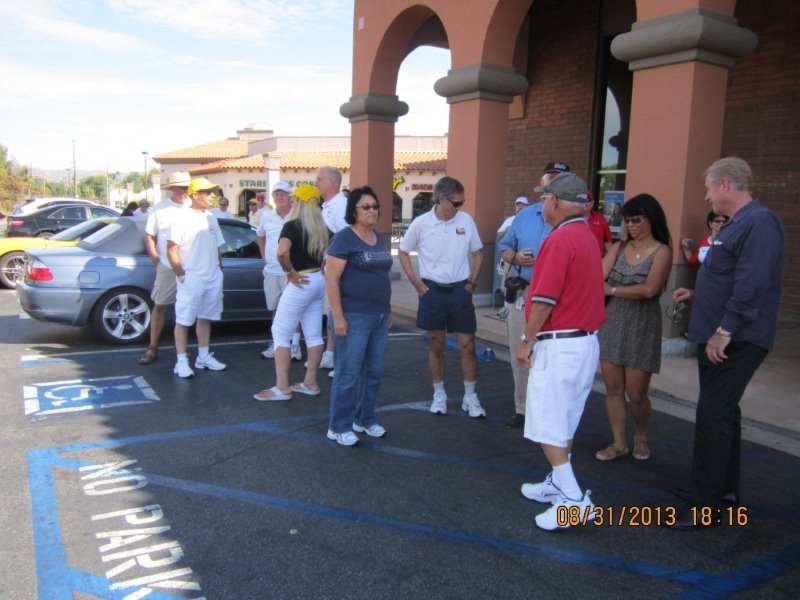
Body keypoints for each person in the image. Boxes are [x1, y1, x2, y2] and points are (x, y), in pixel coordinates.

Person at [670, 157, 785, 528]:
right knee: (723, 414)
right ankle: (723, 491)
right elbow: (726, 277)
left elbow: (751, 284)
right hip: (721, 334)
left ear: (725, 186)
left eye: (708, 188)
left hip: (737, 340)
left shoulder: (759, 223)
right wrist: (697, 294)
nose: (706, 197)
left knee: (713, 415)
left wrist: (725, 330)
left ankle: (706, 505)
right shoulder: (739, 225)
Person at [514, 172, 605, 531]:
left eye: (544, 198)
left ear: (554, 201)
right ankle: (558, 483)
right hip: (583, 342)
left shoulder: (560, 239)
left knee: (548, 423)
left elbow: (544, 298)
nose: (541, 204)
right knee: (564, 419)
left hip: (561, 344)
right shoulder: (586, 235)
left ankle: (572, 497)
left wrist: (527, 339)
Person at [398, 176, 485, 418]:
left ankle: (470, 397)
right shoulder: (421, 223)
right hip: (432, 291)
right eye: (456, 203)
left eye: (462, 202)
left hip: (460, 290)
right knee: (436, 344)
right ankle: (439, 394)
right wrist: (416, 282)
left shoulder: (466, 220)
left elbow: (478, 253)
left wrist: (472, 283)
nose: (460, 208)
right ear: (441, 199)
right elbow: (403, 252)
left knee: (467, 345)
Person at [595, 194, 673, 462]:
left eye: (637, 219)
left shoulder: (662, 251)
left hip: (643, 325)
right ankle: (618, 443)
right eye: (627, 220)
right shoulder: (618, 247)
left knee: (637, 394)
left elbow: (650, 290)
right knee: (613, 388)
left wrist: (614, 289)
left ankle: (641, 433)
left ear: (651, 219)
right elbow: (598, 277)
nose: (631, 225)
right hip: (612, 322)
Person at [325, 186, 394, 446]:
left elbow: (382, 276)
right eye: (366, 207)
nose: (372, 211)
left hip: (377, 317)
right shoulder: (344, 239)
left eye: (375, 206)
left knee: (373, 372)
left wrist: (386, 310)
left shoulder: (379, 237)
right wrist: (338, 317)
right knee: (348, 373)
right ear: (353, 211)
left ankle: (364, 419)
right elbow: (331, 278)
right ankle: (338, 425)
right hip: (352, 316)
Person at [254, 184, 329, 401]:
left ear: (300, 203)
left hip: (301, 281)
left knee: (280, 332)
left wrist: (290, 272)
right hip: (317, 280)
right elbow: (332, 252)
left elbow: (282, 252)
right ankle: (311, 382)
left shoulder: (292, 226)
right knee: (314, 334)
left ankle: (282, 387)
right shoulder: (322, 227)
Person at [497, 186, 552, 427]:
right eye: (544, 189)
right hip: (525, 289)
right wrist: (516, 257)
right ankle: (522, 408)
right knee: (518, 348)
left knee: (550, 352)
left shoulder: (573, 221)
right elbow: (504, 246)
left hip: (556, 294)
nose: (546, 194)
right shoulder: (525, 215)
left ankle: (547, 409)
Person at [167, 177, 227, 378]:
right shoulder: (180, 217)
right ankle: (181, 361)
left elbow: (216, 247)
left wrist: (219, 270)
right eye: (208, 192)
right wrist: (182, 275)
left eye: (214, 192)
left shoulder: (211, 217)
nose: (213, 196)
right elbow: (171, 250)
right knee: (184, 320)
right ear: (195, 195)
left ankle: (203, 356)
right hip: (191, 277)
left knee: (206, 317)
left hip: (212, 277)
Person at [138, 171, 191, 365]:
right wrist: (157, 261)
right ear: (172, 188)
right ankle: (152, 346)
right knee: (160, 305)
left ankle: (182, 349)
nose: (186, 191)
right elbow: (149, 236)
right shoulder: (160, 209)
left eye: (188, 187)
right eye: (183, 187)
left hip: (190, 267)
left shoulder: (193, 208)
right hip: (168, 266)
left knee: (187, 308)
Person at [257, 181, 302, 361]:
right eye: (276, 194)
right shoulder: (266, 216)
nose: (279, 197)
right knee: (275, 308)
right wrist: (263, 255)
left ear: (289, 196)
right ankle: (278, 344)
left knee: (295, 309)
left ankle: (295, 346)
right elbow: (260, 235)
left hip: (293, 271)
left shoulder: (297, 215)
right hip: (272, 271)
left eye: (283, 193)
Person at [315, 166, 349, 372]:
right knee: (330, 312)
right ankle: (330, 353)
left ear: (333, 182)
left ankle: (342, 360)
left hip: (338, 270)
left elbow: (343, 239)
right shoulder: (327, 205)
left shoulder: (342, 206)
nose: (316, 183)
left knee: (339, 313)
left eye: (320, 179)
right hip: (327, 267)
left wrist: (331, 265)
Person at [584, 191, 612, 256]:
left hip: (598, 260)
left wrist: (610, 259)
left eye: (588, 200)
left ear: (592, 203)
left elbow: (607, 241)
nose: (585, 203)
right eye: (582, 200)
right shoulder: (572, 219)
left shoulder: (601, 219)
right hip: (579, 261)